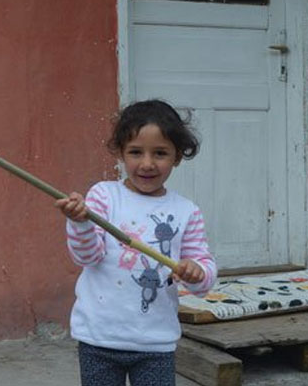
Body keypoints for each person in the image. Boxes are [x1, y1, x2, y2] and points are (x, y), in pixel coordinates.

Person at [55, 99, 217, 386]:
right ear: (120, 152)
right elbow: (87, 257)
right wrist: (80, 223)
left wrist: (196, 271)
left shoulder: (186, 211)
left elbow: (203, 277)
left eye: (160, 153)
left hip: (155, 344)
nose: (147, 164)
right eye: (135, 152)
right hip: (99, 338)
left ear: (178, 156)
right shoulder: (104, 196)